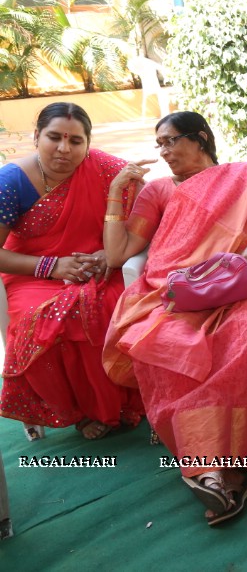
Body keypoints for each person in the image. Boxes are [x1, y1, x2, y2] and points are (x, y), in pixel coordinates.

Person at [102, 111, 247, 526]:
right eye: (159, 145)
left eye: (171, 141)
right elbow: (118, 255)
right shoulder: (158, 191)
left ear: (200, 138)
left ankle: (237, 464)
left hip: (245, 284)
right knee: (164, 343)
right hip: (176, 294)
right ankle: (216, 467)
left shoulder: (242, 178)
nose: (165, 152)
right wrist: (117, 192)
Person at [0, 103, 144, 441]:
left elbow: (145, 218)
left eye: (75, 141)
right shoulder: (11, 182)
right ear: (36, 136)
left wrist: (106, 255)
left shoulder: (107, 169)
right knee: (54, 317)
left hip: (98, 265)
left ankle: (123, 400)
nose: (64, 149)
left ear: (88, 144)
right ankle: (81, 412)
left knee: (116, 304)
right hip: (32, 273)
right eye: (54, 137)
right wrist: (52, 266)